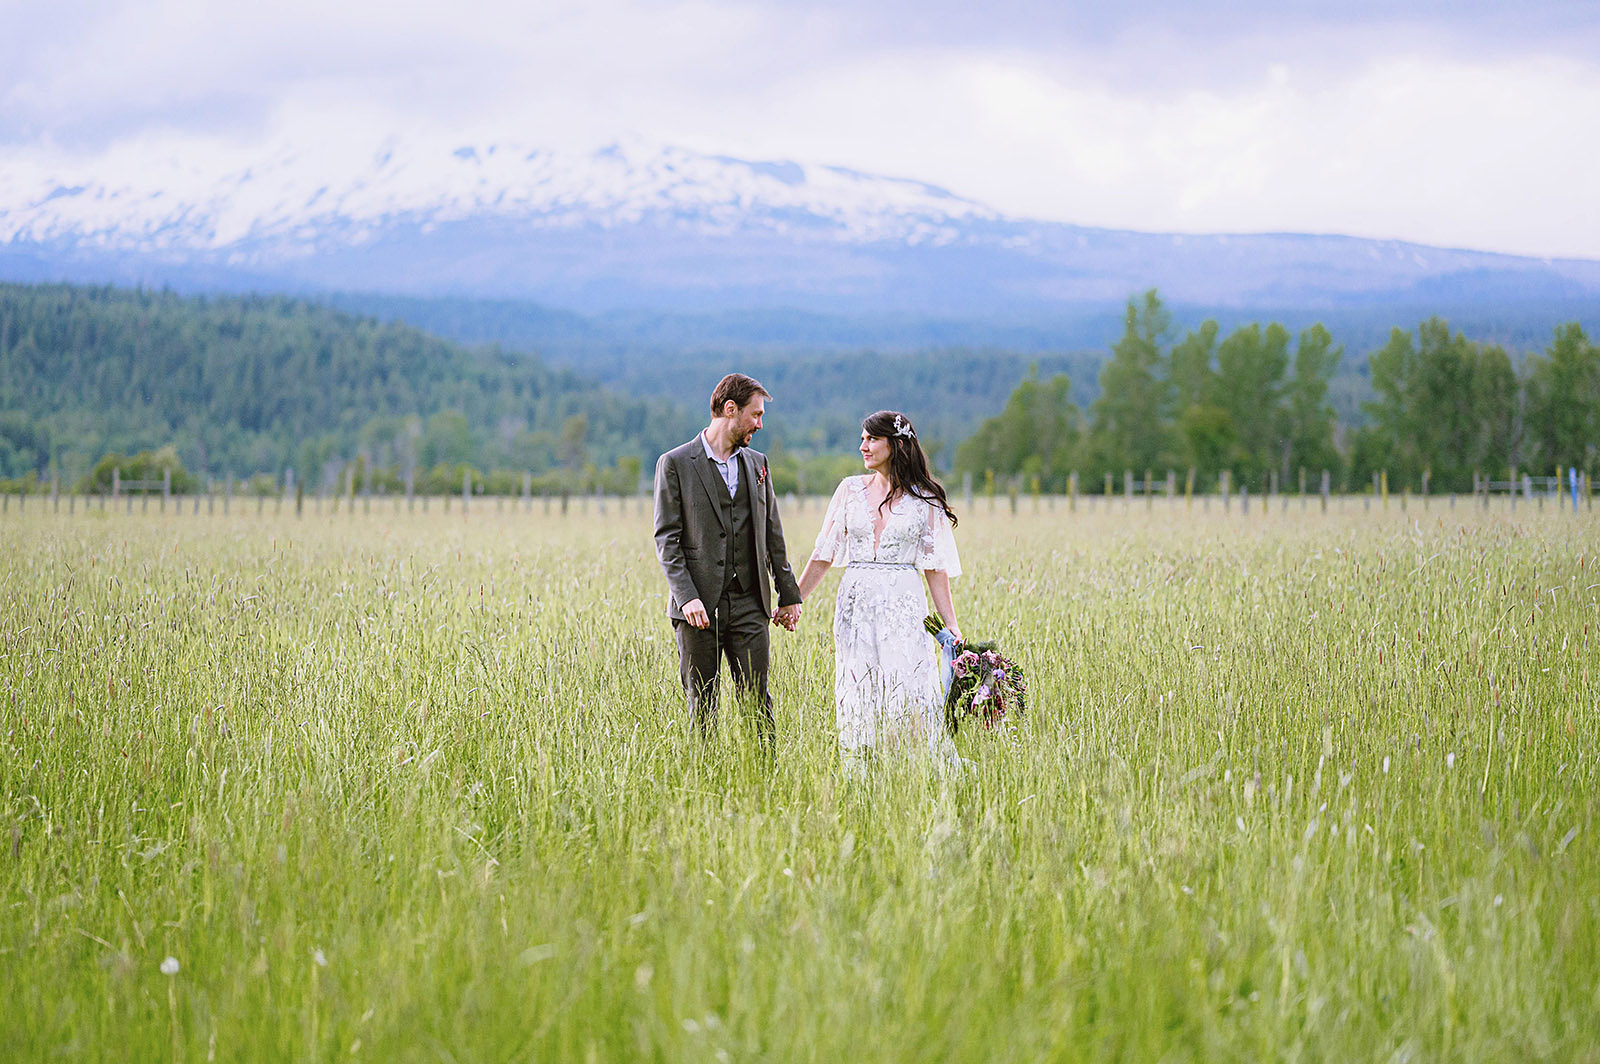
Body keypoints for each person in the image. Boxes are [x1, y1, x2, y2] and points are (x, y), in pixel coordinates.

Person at [794, 410, 962, 771]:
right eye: (862, 438)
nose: (863, 446)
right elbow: (823, 554)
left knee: (908, 687)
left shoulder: (925, 501)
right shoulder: (849, 490)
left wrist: (952, 627)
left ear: (896, 444)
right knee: (857, 686)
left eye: (871, 439)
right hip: (856, 603)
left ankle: (912, 769)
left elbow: (935, 569)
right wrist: (794, 600)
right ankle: (861, 770)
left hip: (904, 603)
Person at [653, 373, 803, 747]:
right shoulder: (674, 463)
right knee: (702, 709)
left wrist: (789, 594)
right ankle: (706, 787)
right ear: (730, 409)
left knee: (759, 706)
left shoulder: (757, 463)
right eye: (755, 414)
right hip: (698, 608)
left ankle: (766, 783)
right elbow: (666, 538)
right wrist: (687, 597)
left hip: (751, 605)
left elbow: (772, 533)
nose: (760, 424)